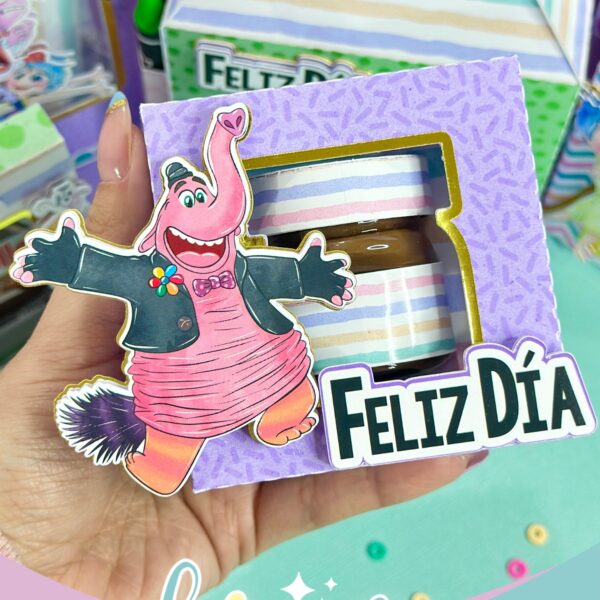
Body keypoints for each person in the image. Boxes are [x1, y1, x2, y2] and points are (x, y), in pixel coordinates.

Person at [0, 93, 484, 597]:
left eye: (208, 198)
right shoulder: (151, 275)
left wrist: (313, 274)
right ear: (161, 229)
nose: (209, 212)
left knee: (294, 395)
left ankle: (279, 420)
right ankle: (160, 461)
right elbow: (107, 268)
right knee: (170, 447)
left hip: (267, 377)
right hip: (181, 403)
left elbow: (282, 272)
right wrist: (71, 260)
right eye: (190, 202)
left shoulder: (241, 264)